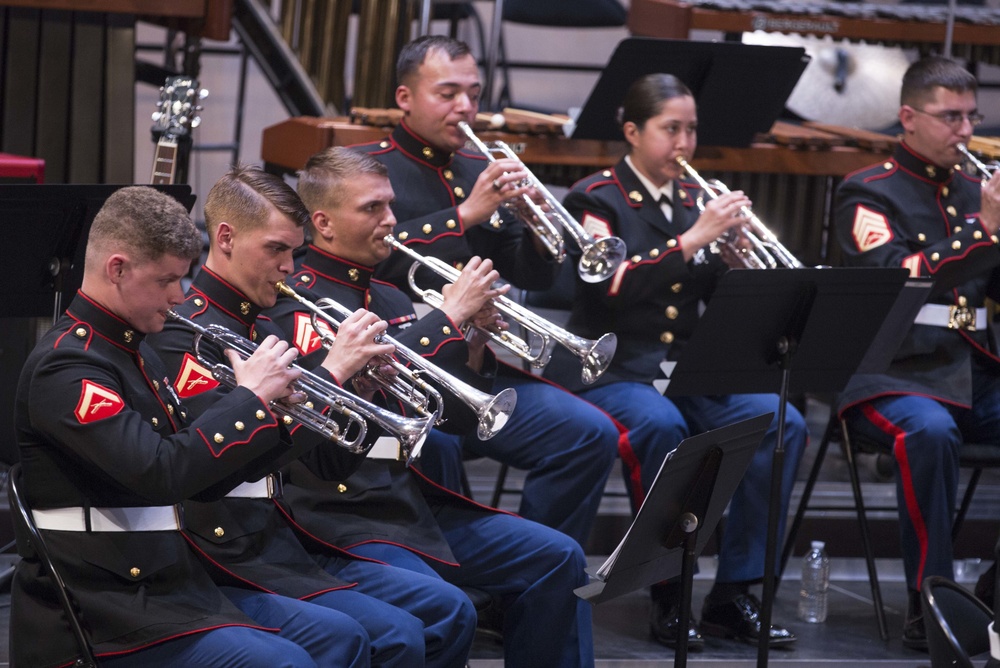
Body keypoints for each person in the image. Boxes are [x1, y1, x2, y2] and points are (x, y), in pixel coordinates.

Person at [265, 145, 596, 668]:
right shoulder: (292, 303)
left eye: (391, 206)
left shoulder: (393, 299)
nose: (391, 221)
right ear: (323, 223)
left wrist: (474, 338)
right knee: (446, 604)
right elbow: (338, 418)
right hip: (337, 514)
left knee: (559, 557)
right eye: (372, 209)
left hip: (409, 503)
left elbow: (459, 418)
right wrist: (446, 317)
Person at [12, 185, 371, 667]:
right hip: (107, 603)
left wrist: (279, 413)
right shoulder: (68, 369)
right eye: (167, 281)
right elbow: (161, 474)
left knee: (339, 638)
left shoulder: (133, 351)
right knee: (288, 662)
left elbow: (203, 482)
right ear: (117, 269)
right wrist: (249, 399)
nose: (179, 296)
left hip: (170, 581)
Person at [148, 165, 472, 667]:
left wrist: (365, 391)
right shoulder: (184, 334)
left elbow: (324, 467)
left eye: (293, 252)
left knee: (448, 607)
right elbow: (226, 467)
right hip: (227, 549)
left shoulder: (261, 325)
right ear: (227, 238)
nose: (287, 267)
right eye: (275, 250)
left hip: (288, 534)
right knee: (396, 635)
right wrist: (334, 375)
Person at [542, 73, 807, 650]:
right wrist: (691, 241)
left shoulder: (693, 201)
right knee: (663, 429)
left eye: (691, 130)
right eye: (671, 130)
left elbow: (713, 293)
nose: (684, 144)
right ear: (633, 131)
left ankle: (733, 592)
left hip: (683, 366)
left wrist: (736, 263)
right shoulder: (597, 197)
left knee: (780, 419)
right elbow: (603, 289)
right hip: (613, 367)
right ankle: (667, 593)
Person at [353, 34, 619, 549]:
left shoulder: (479, 167)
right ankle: (466, 575)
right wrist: (464, 215)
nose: (466, 108)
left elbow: (533, 277)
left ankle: (537, 571)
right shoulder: (365, 168)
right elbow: (358, 258)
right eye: (448, 93)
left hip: (481, 362)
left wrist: (541, 230)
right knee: (441, 442)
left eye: (473, 94)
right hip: (405, 363)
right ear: (405, 98)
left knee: (589, 435)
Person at [834, 55, 1000, 649]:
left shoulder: (974, 190)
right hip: (892, 371)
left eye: (971, 116)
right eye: (950, 116)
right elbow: (895, 279)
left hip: (971, 368)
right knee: (928, 434)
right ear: (908, 116)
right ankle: (928, 605)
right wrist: (984, 230)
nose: (966, 130)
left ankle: (992, 599)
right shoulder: (867, 191)